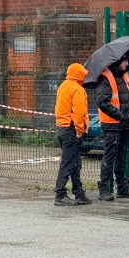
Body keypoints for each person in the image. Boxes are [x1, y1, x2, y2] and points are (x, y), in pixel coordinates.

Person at [95, 57, 129, 200]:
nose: (127, 64)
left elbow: (123, 97)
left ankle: (122, 187)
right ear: (117, 62)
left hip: (125, 123)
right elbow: (103, 102)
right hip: (112, 124)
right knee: (110, 157)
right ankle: (104, 188)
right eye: (124, 61)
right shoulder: (106, 77)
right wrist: (120, 115)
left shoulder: (124, 75)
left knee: (121, 157)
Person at [53, 63, 92, 206]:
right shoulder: (78, 89)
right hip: (72, 130)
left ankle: (79, 193)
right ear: (80, 75)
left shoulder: (63, 86)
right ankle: (60, 194)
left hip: (62, 128)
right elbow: (79, 112)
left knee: (74, 162)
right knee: (69, 163)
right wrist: (79, 130)